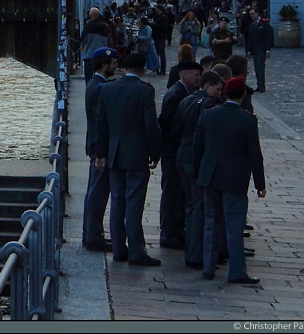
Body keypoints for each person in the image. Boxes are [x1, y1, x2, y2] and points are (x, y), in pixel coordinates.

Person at [193, 76, 266, 284]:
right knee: (234, 225)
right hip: (235, 178)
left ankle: (208, 267)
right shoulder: (248, 120)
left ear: (224, 93)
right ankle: (236, 271)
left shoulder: (208, 115)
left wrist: (200, 175)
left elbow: (198, 148)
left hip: (210, 176)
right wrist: (260, 184)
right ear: (243, 94)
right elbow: (254, 154)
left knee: (210, 222)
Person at [95, 52, 163, 266]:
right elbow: (150, 126)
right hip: (137, 154)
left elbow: (101, 125)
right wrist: (155, 152)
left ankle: (118, 249)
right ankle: (136, 250)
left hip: (115, 154)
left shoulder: (107, 88)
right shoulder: (144, 91)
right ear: (142, 69)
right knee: (134, 203)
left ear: (124, 68)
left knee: (117, 202)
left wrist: (101, 154)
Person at [173, 70, 225, 269]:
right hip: (196, 158)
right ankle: (195, 253)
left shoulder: (186, 101)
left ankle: (192, 249)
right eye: (217, 89)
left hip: (182, 155)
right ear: (207, 86)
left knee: (191, 205)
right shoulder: (209, 105)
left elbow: (176, 129)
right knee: (199, 206)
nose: (219, 93)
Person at [159, 64, 200, 249]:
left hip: (175, 152)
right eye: (196, 75)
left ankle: (176, 230)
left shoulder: (181, 92)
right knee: (172, 194)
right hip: (172, 152)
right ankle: (169, 233)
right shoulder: (176, 95)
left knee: (178, 195)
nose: (199, 78)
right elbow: (167, 124)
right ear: (185, 75)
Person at [83, 47, 118, 252]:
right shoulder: (100, 88)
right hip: (100, 148)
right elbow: (100, 123)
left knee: (94, 191)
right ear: (104, 64)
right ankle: (94, 235)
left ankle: (90, 232)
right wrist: (101, 154)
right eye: (113, 62)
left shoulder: (93, 84)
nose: (116, 65)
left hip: (96, 146)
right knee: (98, 192)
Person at [80, 8, 113, 82]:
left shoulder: (88, 26)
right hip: (102, 56)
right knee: (101, 78)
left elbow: (83, 40)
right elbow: (110, 40)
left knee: (88, 79)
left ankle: (90, 92)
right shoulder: (106, 26)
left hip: (89, 55)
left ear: (90, 15)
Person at [245, 8, 273, 92]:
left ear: (257, 13)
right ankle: (259, 84)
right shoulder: (251, 24)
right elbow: (249, 38)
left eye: (253, 13)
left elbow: (267, 37)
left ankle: (261, 85)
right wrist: (248, 50)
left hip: (261, 48)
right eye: (250, 14)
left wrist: (268, 50)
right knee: (256, 68)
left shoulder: (264, 24)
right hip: (254, 49)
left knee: (260, 66)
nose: (252, 16)